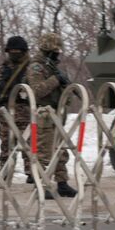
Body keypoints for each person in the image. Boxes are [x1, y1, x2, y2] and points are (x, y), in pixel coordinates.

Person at [28, 31, 76, 198]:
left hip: (56, 113)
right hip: (44, 114)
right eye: (55, 51)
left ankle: (62, 183)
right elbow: (37, 90)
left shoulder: (51, 66)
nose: (58, 55)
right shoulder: (37, 67)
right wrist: (56, 79)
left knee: (60, 151)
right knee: (43, 152)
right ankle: (41, 184)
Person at [0, 35, 35, 183]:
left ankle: (32, 173)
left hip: (25, 112)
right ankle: (4, 173)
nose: (14, 54)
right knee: (6, 145)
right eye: (12, 51)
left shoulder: (31, 68)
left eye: (18, 51)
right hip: (6, 113)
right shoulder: (1, 69)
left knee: (28, 144)